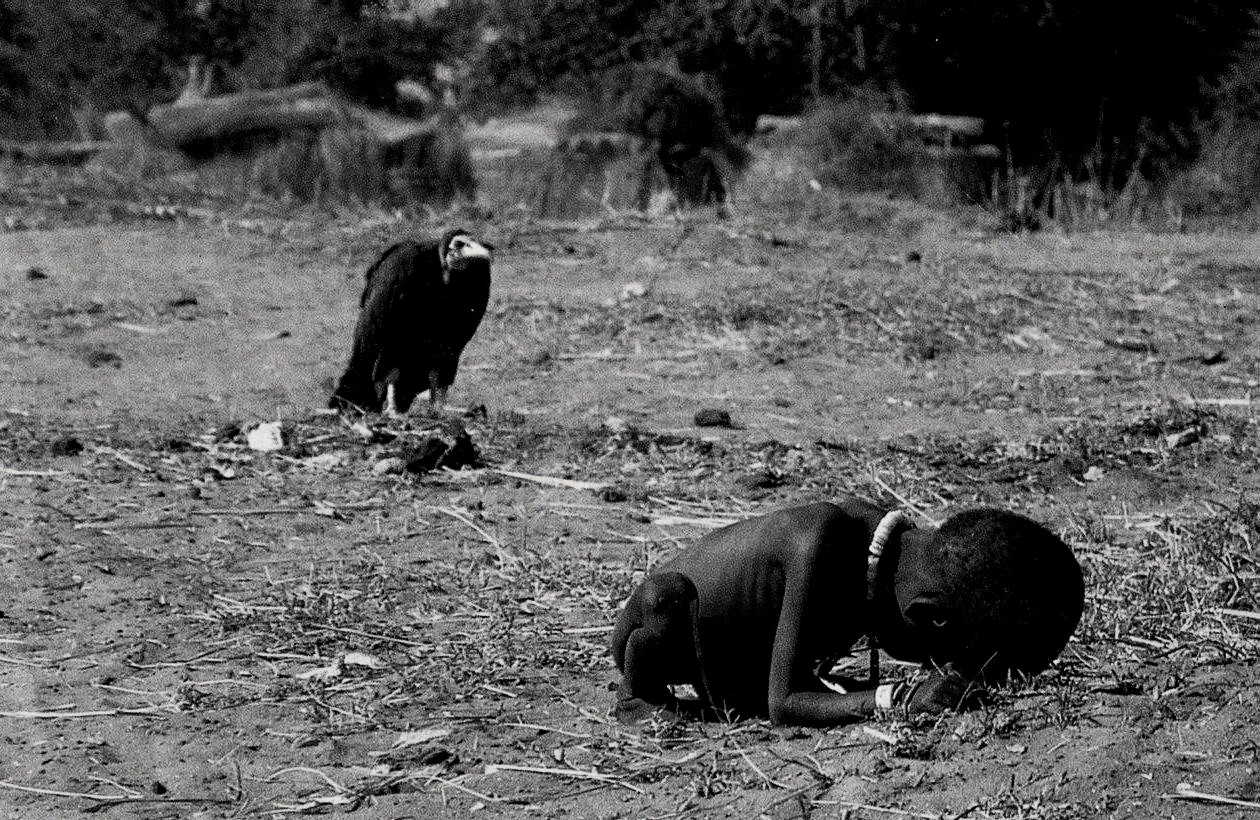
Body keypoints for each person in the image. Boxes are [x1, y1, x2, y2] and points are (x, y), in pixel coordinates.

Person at [609, 500, 1084, 726]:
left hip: (734, 661)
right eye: (944, 658)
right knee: (665, 604)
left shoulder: (884, 554)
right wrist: (896, 699)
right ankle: (637, 696)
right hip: (663, 630)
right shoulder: (824, 543)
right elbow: (784, 703)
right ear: (928, 618)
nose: (936, 669)